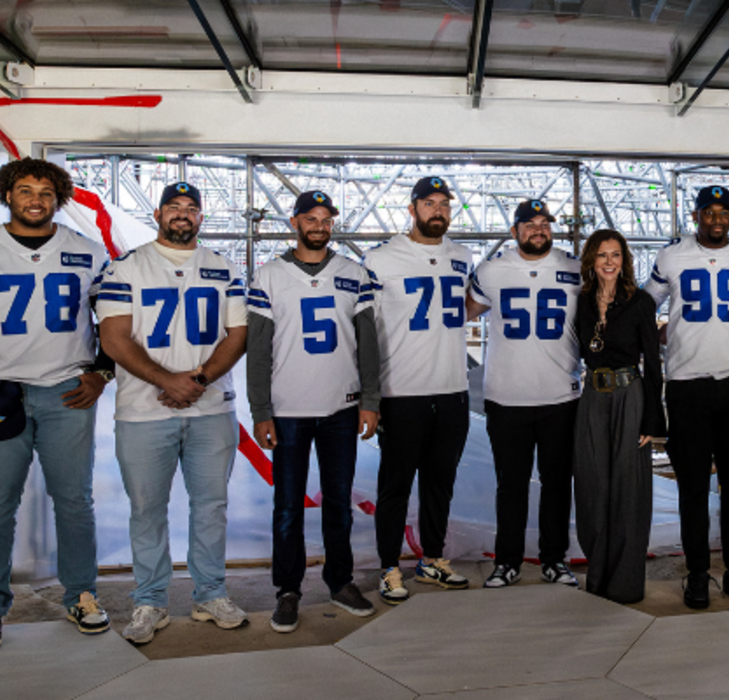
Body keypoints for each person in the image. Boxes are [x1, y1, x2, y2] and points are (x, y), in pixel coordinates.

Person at [98, 182, 248, 644]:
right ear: (160, 214)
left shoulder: (224, 268)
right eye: (174, 208)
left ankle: (210, 593)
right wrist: (169, 381)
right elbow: (114, 338)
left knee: (211, 507)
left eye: (191, 209)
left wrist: (196, 381)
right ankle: (150, 600)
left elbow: (238, 334)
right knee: (147, 510)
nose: (183, 215)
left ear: (201, 218)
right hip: (144, 411)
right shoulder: (125, 267)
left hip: (210, 408)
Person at [247, 190, 380, 632]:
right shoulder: (269, 276)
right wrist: (261, 409)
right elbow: (259, 351)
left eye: (326, 219)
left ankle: (340, 581)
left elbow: (368, 345)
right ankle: (288, 590)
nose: (319, 225)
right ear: (294, 222)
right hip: (288, 411)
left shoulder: (353, 273)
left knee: (338, 504)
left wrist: (370, 401)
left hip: (340, 409)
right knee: (287, 506)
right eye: (311, 218)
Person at [0, 158, 112, 646]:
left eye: (46, 192)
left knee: (74, 501)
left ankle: (81, 594)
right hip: (4, 391)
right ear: (8, 195)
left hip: (67, 389)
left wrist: (102, 371)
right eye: (25, 189)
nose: (35, 199)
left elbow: (115, 318)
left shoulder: (87, 251)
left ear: (58, 199)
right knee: (0, 505)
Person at [644, 185, 729, 610]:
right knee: (692, 486)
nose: (716, 218)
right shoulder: (672, 255)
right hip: (688, 384)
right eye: (708, 212)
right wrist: (664, 331)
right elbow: (647, 305)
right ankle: (697, 572)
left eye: (723, 212)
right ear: (695, 216)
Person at [365, 176, 472, 601]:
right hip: (401, 391)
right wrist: (370, 396)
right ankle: (389, 567)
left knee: (439, 483)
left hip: (452, 389)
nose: (438, 211)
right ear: (412, 209)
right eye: (429, 203)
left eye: (444, 204)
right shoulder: (381, 258)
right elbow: (366, 332)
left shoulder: (462, 255)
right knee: (395, 486)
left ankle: (432, 559)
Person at [465, 199, 582, 588]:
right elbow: (464, 312)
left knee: (556, 484)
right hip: (507, 398)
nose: (538, 229)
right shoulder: (493, 270)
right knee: (510, 485)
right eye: (529, 224)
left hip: (560, 397)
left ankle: (554, 559)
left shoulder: (573, 268)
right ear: (515, 231)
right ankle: (507, 561)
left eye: (544, 223)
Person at [573, 229, 665, 603]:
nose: (609, 262)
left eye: (615, 255)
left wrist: (653, 419)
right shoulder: (581, 302)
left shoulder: (640, 302)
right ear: (591, 261)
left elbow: (653, 362)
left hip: (630, 396)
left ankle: (625, 585)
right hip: (593, 396)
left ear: (624, 260)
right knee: (593, 488)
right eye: (602, 255)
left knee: (629, 492)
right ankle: (598, 576)